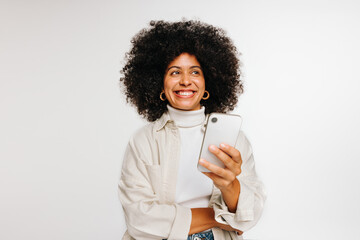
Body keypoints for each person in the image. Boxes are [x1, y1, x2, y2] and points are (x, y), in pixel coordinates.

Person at [118, 20, 266, 240]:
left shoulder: (233, 139)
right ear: (160, 82)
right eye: (175, 72)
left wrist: (230, 184)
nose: (186, 81)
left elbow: (250, 214)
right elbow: (139, 220)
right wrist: (217, 217)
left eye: (195, 72)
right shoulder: (143, 141)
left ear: (208, 82)